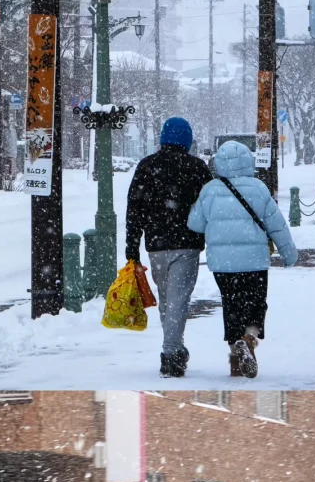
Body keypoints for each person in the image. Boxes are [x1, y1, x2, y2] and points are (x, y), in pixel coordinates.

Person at [187, 138, 297, 378]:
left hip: (222, 263)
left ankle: (236, 356)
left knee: (231, 304)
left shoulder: (210, 190)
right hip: (254, 261)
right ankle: (249, 338)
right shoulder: (258, 188)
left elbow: (194, 224)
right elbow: (276, 224)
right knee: (257, 303)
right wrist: (288, 253)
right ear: (248, 162)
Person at [124, 116, 212, 379]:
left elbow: (134, 209)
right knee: (178, 300)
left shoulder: (147, 166)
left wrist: (132, 248)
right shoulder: (197, 168)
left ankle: (174, 348)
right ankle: (170, 354)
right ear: (187, 140)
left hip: (156, 245)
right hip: (187, 244)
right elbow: (210, 206)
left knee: (167, 300)